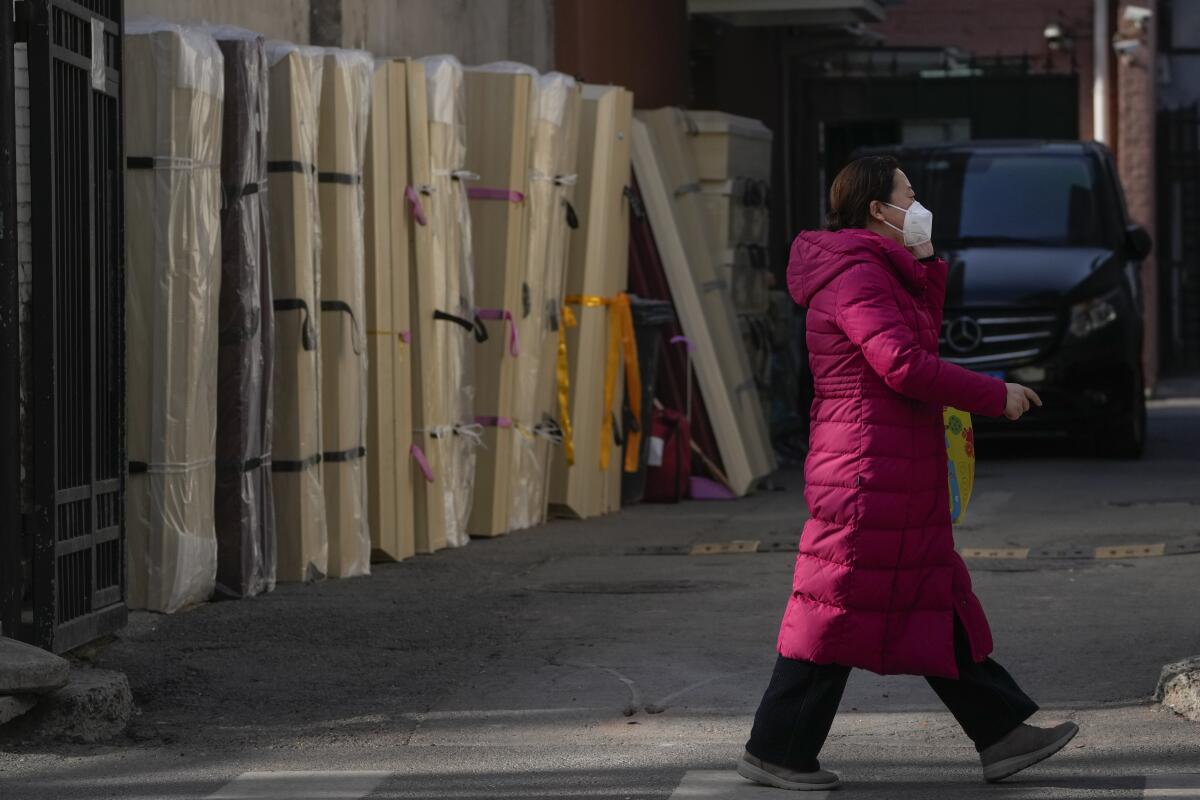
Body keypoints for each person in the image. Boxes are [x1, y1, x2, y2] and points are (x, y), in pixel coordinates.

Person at [737, 156, 1077, 791]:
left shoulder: (879, 269)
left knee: (927, 592)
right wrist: (991, 394)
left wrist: (924, 261)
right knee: (835, 605)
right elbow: (901, 363)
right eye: (910, 196)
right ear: (877, 209)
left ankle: (1001, 734)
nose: (920, 206)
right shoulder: (855, 273)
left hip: (890, 459)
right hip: (866, 467)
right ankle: (776, 749)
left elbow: (913, 339)